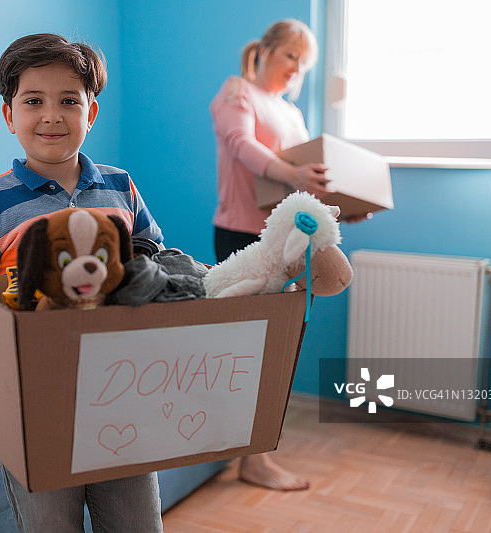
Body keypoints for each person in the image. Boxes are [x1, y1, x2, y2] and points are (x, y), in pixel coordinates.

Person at [0, 33, 164, 532]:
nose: (52, 115)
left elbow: (153, 257)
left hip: (123, 389)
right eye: (33, 101)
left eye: (68, 101)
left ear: (91, 112)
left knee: (137, 522)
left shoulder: (120, 186)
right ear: (9, 116)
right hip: (34, 403)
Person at [210, 19, 327, 492]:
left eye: (304, 63)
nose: (297, 69)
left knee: (277, 349)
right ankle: (251, 459)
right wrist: (295, 176)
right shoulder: (237, 92)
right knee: (247, 352)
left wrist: (337, 209)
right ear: (265, 51)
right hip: (242, 236)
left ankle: (256, 454)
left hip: (288, 242)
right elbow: (241, 146)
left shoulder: (291, 112)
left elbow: (300, 178)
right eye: (291, 56)